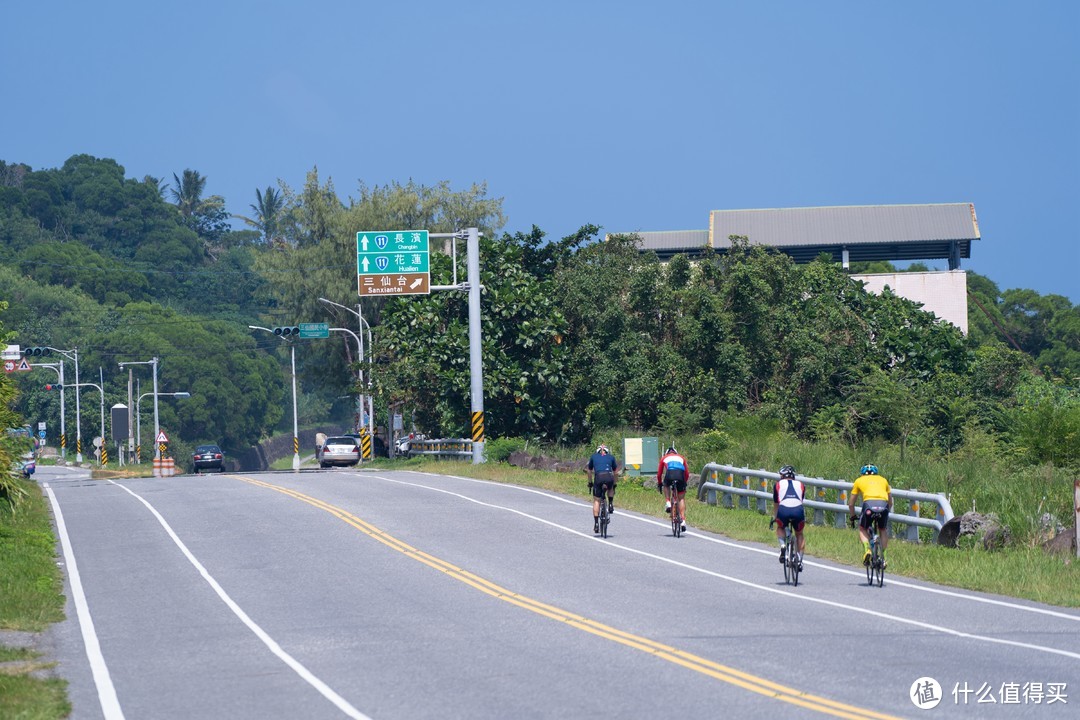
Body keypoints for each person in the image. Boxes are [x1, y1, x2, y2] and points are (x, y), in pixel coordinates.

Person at [848, 464, 893, 567]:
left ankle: (867, 550)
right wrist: (886, 512)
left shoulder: (859, 480)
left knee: (862, 528)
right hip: (883, 505)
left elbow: (851, 504)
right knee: (882, 529)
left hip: (869, 505)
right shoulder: (883, 480)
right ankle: (884, 558)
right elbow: (890, 501)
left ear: (862, 473)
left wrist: (853, 516)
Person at [772, 465, 806, 570]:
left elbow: (776, 504)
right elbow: (800, 500)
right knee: (799, 533)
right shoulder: (801, 485)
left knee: (780, 527)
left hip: (783, 510)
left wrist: (774, 517)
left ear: (782, 476)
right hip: (798, 510)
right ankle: (799, 559)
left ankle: (783, 546)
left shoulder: (778, 485)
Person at [586, 444, 620, 534]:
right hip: (609, 477)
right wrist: (615, 483)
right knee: (611, 488)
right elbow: (616, 472)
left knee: (597, 500)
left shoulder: (593, 457)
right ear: (607, 451)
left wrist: (590, 482)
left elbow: (589, 471)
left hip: (599, 477)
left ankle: (596, 524)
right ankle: (611, 504)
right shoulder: (611, 457)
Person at [656, 445, 689, 533]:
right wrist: (684, 482)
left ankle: (668, 502)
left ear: (667, 453)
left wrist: (660, 483)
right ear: (676, 453)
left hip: (670, 473)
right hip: (680, 475)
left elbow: (659, 474)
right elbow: (687, 473)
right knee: (681, 498)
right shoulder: (681, 457)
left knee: (666, 485)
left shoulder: (664, 458)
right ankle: (683, 520)